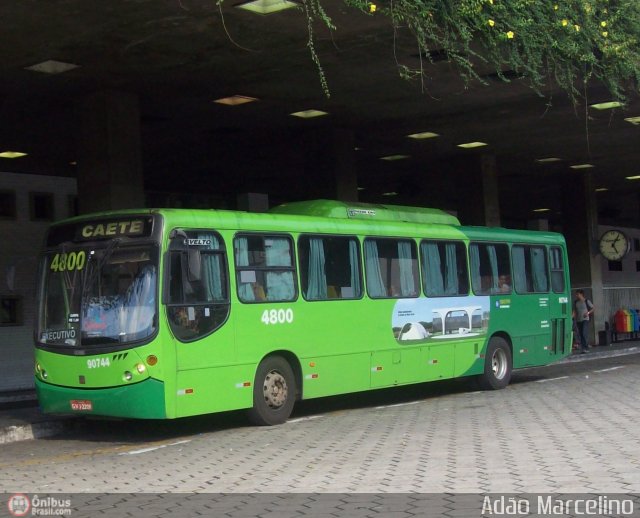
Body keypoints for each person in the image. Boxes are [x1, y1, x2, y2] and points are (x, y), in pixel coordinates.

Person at [573, 289, 594, 354]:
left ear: (581, 294)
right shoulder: (576, 302)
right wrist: (572, 316)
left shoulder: (587, 301)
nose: (576, 295)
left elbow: (593, 308)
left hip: (585, 319)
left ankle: (586, 347)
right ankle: (583, 348)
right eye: (576, 294)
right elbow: (574, 311)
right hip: (578, 320)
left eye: (578, 294)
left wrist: (587, 313)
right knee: (581, 334)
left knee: (584, 333)